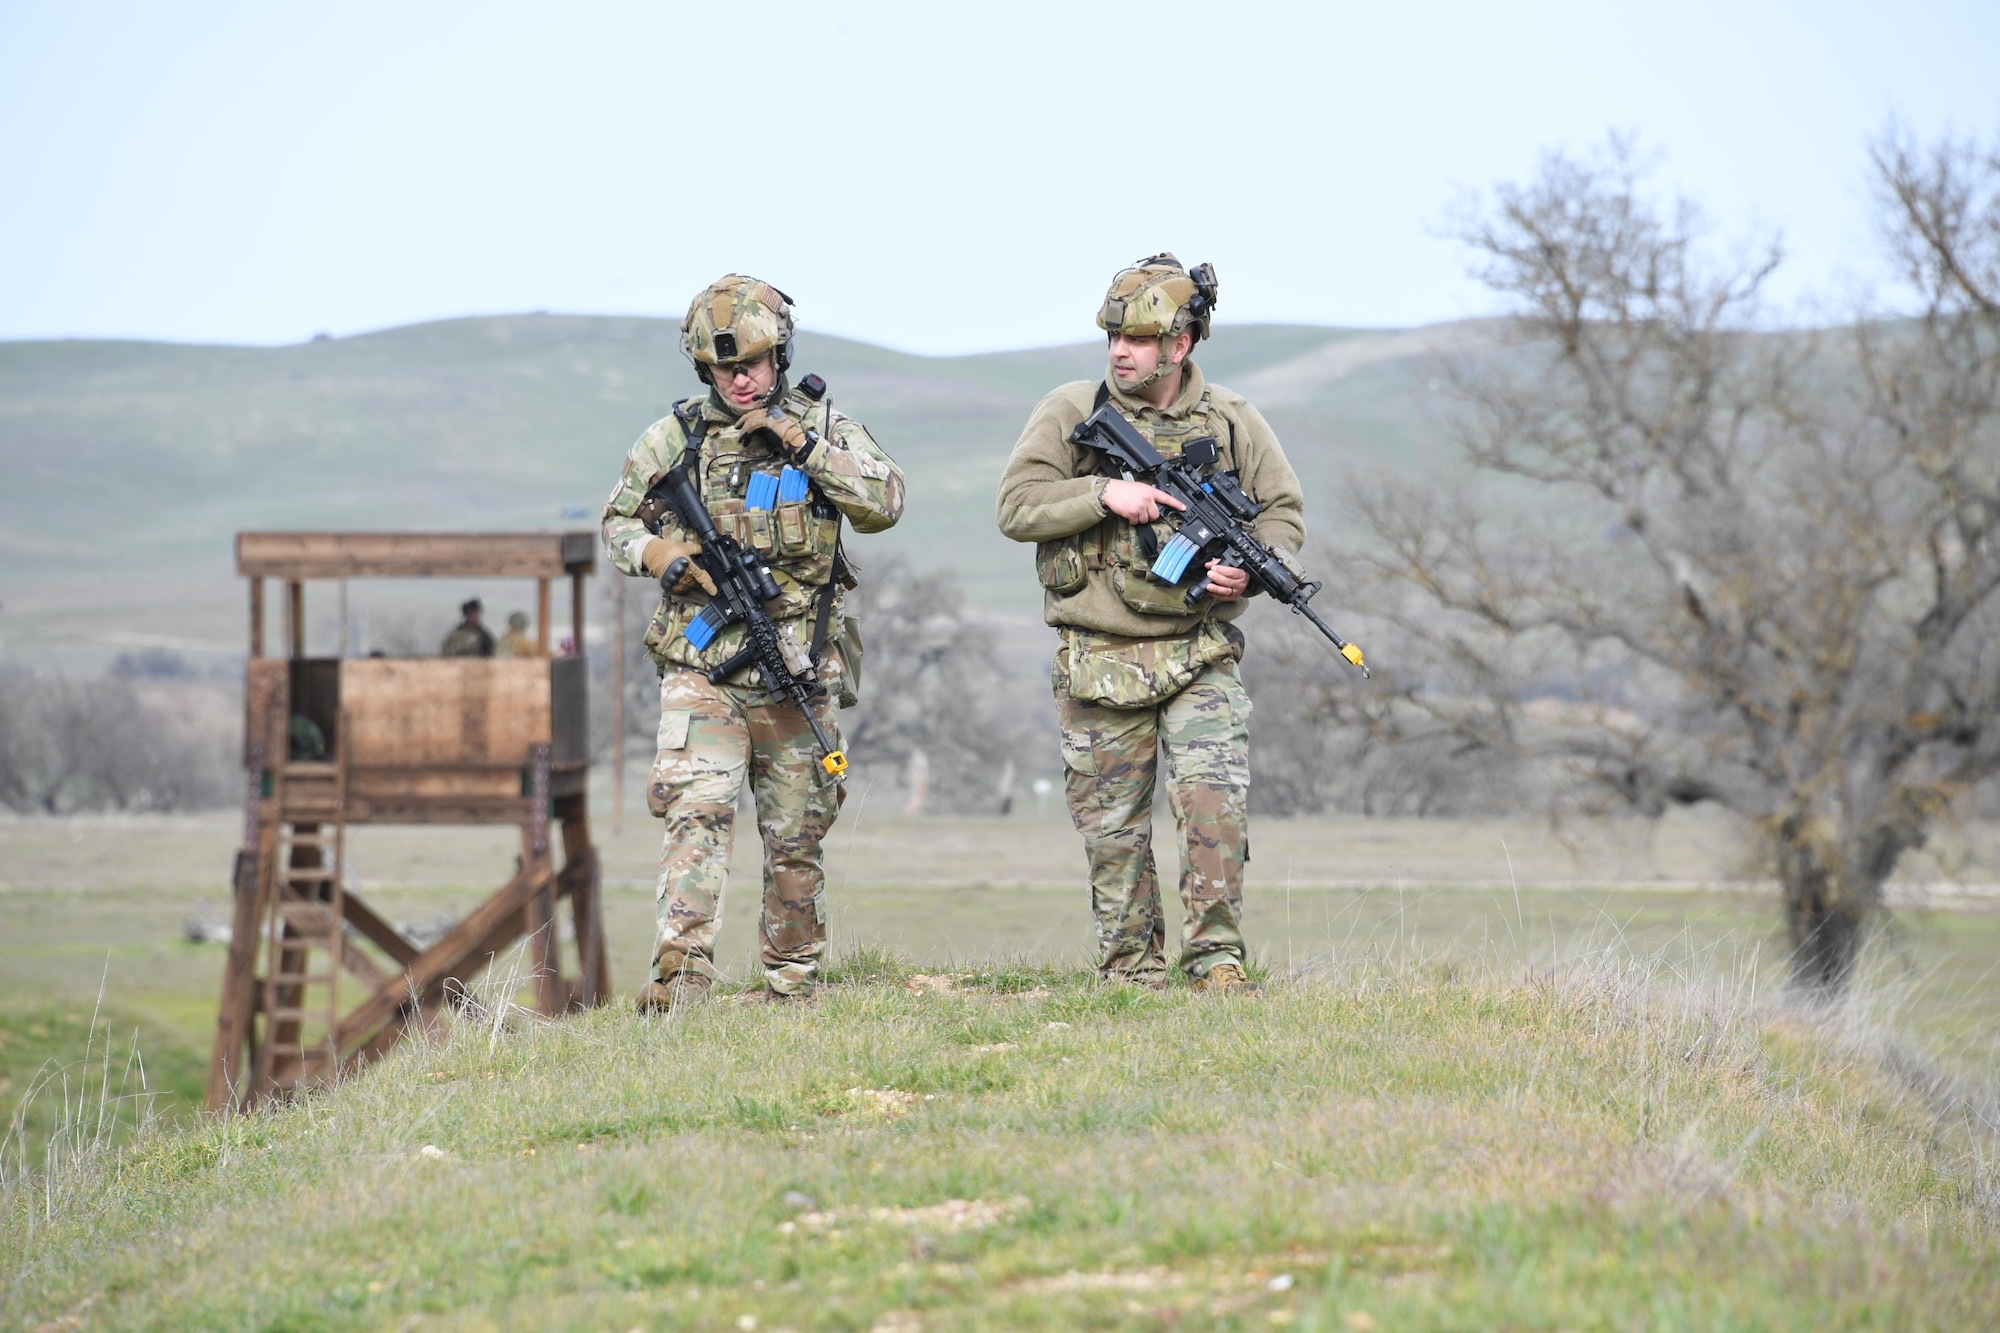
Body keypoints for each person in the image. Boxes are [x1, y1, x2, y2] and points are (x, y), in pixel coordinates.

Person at [995, 254, 1305, 995]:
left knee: (1214, 806)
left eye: (1136, 339)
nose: (1119, 351)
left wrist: (1250, 573)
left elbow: (1282, 514)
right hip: (1099, 657)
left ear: (1182, 344)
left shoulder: (1232, 419)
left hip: (1198, 652)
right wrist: (1106, 494)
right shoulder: (1072, 410)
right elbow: (1017, 506)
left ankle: (1217, 965)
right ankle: (1132, 972)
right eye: (1112, 336)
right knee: (1113, 835)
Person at [601, 274, 904, 1007]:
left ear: (781, 356)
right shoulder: (672, 439)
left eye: (755, 364)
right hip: (701, 661)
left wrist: (802, 445)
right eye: (725, 368)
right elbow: (617, 523)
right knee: (696, 807)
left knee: (796, 828)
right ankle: (680, 975)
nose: (742, 379)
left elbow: (885, 501)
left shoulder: (823, 427)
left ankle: (793, 981)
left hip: (795, 660)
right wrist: (658, 555)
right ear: (704, 368)